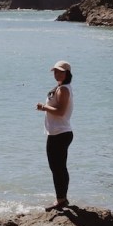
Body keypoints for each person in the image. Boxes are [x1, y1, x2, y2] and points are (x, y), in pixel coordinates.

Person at [35, 60, 74, 210]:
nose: (56, 74)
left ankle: (61, 200)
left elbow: (60, 111)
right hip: (58, 133)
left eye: (60, 71)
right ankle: (62, 198)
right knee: (58, 167)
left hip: (60, 133)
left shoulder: (63, 89)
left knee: (57, 168)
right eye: (55, 71)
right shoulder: (60, 87)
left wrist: (43, 107)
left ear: (67, 73)